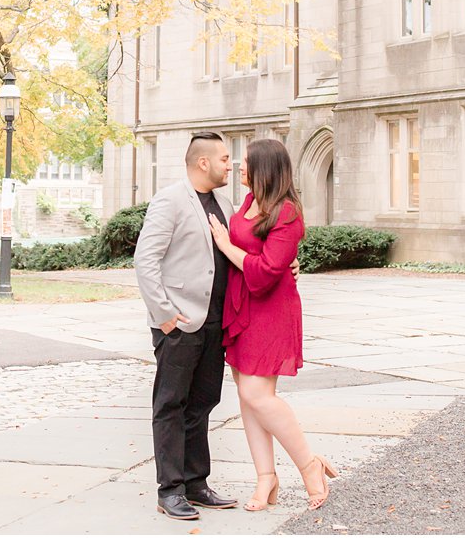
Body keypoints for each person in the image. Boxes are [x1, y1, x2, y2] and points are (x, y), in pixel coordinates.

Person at [207, 137, 337, 512]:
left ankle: (309, 465)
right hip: (241, 306)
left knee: (257, 396)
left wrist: (225, 244)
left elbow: (264, 273)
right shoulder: (249, 202)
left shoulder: (286, 213)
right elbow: (260, 254)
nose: (239, 167)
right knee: (248, 398)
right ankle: (266, 478)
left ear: (264, 168)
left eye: (246, 162)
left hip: (270, 309)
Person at [133, 131, 241, 521]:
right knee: (171, 405)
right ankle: (170, 489)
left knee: (203, 404)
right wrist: (164, 315)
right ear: (203, 162)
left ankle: (197, 484)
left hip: (215, 323)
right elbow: (146, 260)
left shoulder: (226, 204)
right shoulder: (170, 200)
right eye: (226, 159)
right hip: (178, 324)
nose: (232, 165)